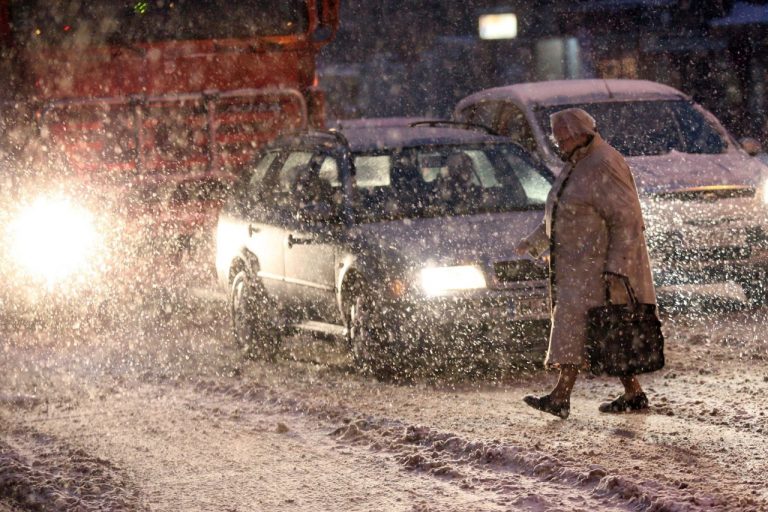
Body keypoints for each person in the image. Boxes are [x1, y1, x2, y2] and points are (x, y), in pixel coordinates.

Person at [515, 107, 657, 419]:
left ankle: (561, 396)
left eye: (562, 140)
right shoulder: (579, 164)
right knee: (600, 330)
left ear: (579, 135)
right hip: (580, 266)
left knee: (586, 327)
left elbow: (628, 218)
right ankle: (631, 392)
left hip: (597, 266)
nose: (559, 146)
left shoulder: (603, 163)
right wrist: (536, 241)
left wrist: (618, 266)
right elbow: (565, 211)